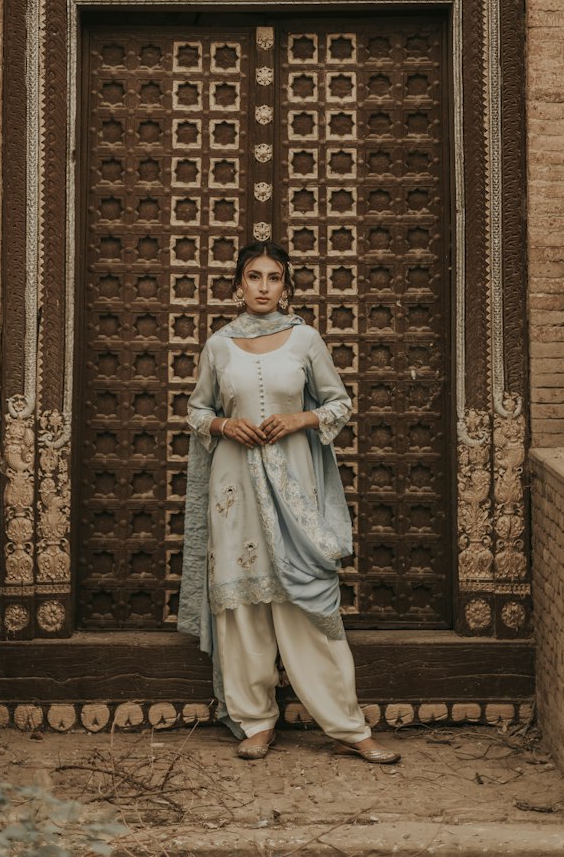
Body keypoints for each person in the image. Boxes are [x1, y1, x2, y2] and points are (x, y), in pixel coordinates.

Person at [177, 240, 401, 763]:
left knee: (309, 603)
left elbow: (339, 401)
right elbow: (195, 411)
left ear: (285, 286)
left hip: (294, 489)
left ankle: (348, 725)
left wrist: (301, 418)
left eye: (272, 278)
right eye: (253, 277)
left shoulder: (305, 339)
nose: (262, 287)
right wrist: (223, 423)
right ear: (237, 285)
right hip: (234, 494)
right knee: (244, 606)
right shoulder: (218, 346)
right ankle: (255, 721)